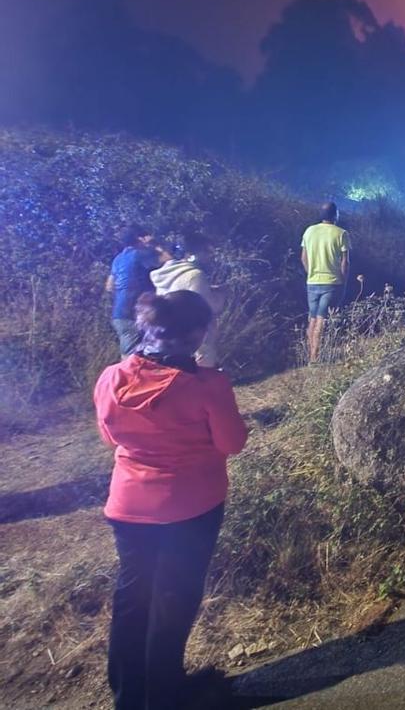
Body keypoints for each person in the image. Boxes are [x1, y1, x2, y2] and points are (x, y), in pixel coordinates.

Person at [94, 290, 247, 710]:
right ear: (197, 332)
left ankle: (128, 694)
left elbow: (110, 437)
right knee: (174, 601)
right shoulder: (207, 385)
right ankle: (165, 696)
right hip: (190, 507)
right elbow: (233, 443)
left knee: (133, 597)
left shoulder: (112, 377)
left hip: (128, 507)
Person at [151, 232, 225, 368]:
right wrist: (220, 295)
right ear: (194, 253)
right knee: (200, 381)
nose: (209, 256)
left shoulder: (163, 276)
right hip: (195, 341)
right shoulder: (194, 275)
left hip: (169, 340)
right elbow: (207, 307)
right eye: (206, 251)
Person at [300, 201, 350, 363]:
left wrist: (311, 273)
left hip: (312, 282)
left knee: (312, 318)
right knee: (322, 319)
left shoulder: (309, 231)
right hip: (332, 282)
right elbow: (345, 262)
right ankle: (315, 358)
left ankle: (310, 355)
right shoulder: (341, 234)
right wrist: (343, 279)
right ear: (336, 215)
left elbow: (303, 257)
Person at [105, 224, 164, 356]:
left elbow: (109, 286)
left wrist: (123, 294)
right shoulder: (140, 254)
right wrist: (155, 245)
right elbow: (169, 261)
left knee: (129, 356)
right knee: (134, 360)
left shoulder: (118, 259)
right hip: (137, 314)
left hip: (119, 315)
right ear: (140, 238)